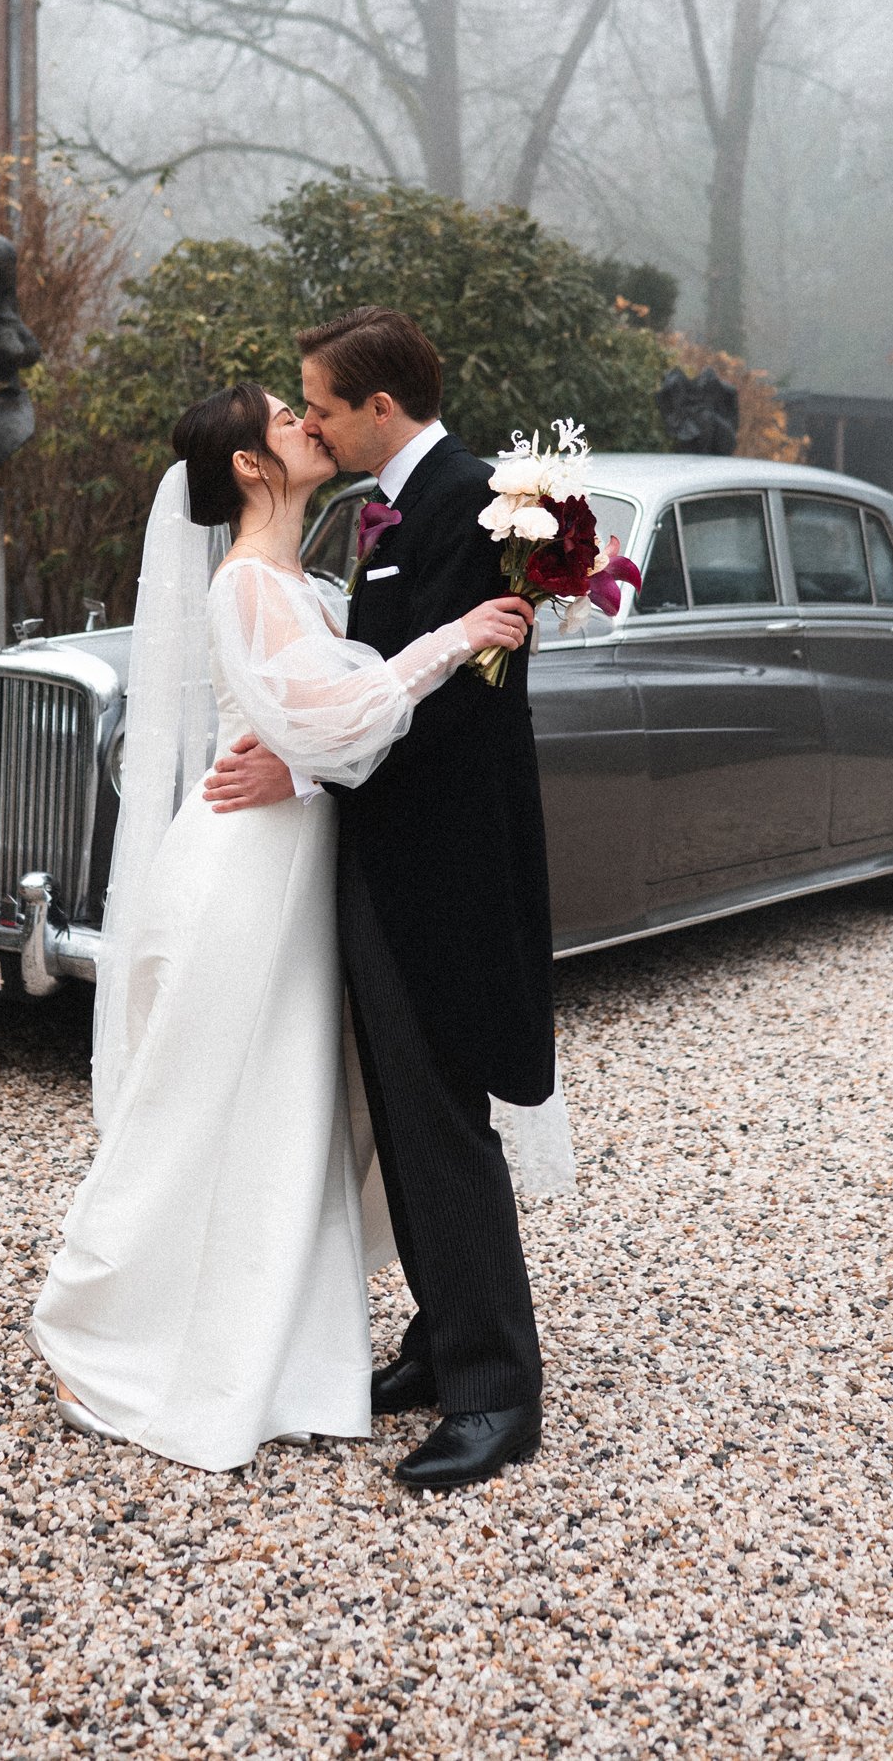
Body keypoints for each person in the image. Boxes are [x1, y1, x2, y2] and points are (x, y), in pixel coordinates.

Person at [30, 382, 533, 1474]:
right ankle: (105, 1313)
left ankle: (283, 1341)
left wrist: (300, 762)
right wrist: (452, 638)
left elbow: (316, 729)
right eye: (286, 417)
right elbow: (334, 715)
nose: (309, 424)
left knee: (284, 1114)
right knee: (205, 1101)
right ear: (253, 467)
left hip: (294, 868)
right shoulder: (252, 581)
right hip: (243, 881)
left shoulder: (300, 577)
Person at [205, 309, 559, 1490]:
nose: (305, 420)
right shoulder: (383, 510)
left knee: (442, 1118)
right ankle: (439, 1334)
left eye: (316, 403)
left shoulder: (473, 502)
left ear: (378, 409)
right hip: (380, 855)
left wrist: (300, 764)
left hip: (442, 870)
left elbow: (461, 711)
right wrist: (304, 757)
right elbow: (367, 685)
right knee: (402, 1122)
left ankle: (496, 1388)